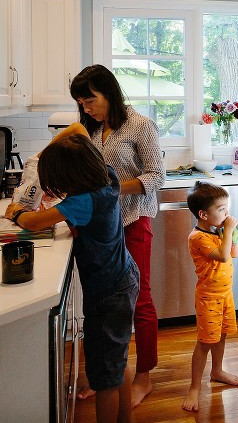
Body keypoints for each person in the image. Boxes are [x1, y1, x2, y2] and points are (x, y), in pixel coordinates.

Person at [5, 128, 139, 423]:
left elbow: (35, 222)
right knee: (116, 363)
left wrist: (15, 211)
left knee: (104, 378)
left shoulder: (82, 201)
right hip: (123, 277)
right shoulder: (107, 176)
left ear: (70, 177)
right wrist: (44, 156)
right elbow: (77, 131)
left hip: (107, 292)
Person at [70, 64, 165, 407]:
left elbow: (156, 176)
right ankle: (110, 377)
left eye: (90, 99)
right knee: (103, 305)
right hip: (101, 228)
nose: (86, 107)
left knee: (139, 301)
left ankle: (144, 377)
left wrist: (110, 190)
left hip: (133, 222)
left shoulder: (141, 125)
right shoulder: (92, 130)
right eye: (81, 102)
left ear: (108, 92)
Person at [183, 181, 238, 412]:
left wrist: (235, 233)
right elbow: (223, 257)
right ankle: (194, 388)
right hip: (209, 298)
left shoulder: (217, 231)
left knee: (222, 336)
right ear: (203, 214)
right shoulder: (197, 237)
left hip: (225, 295)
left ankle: (217, 370)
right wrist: (227, 231)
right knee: (205, 342)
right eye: (221, 209)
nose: (226, 214)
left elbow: (233, 252)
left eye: (226, 208)